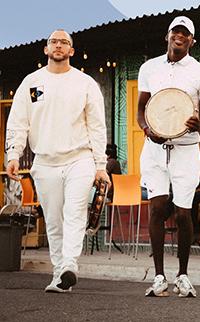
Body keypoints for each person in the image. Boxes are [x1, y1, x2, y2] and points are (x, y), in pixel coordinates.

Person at [5, 29, 110, 293]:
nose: (59, 45)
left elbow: (97, 126)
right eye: (54, 41)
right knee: (53, 220)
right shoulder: (33, 84)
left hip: (79, 158)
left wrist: (100, 165)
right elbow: (19, 121)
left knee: (74, 213)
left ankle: (69, 265)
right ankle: (58, 274)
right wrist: (13, 154)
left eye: (64, 42)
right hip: (45, 161)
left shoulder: (85, 83)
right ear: (46, 49)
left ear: (72, 51)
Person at [136, 16, 200, 298]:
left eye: (185, 33)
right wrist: (147, 130)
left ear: (192, 41)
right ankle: (159, 277)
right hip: (155, 149)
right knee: (157, 209)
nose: (179, 36)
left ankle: (182, 275)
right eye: (175, 32)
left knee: (184, 213)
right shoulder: (149, 68)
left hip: (186, 149)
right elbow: (141, 110)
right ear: (167, 36)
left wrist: (199, 124)